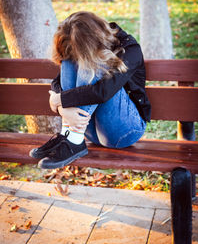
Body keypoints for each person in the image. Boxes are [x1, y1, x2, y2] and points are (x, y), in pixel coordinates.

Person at [29, 11, 151, 169]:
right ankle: (69, 135)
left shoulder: (130, 48)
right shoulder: (83, 42)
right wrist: (63, 110)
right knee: (69, 59)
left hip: (125, 131)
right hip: (89, 131)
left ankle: (73, 139)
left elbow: (103, 92)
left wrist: (60, 101)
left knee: (97, 60)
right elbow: (56, 82)